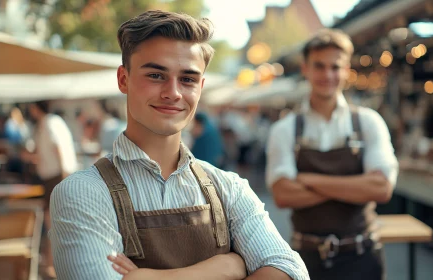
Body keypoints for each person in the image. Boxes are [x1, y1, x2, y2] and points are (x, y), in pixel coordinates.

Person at [49, 10, 308, 280]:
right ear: (123, 79)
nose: (173, 92)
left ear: (200, 87)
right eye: (156, 75)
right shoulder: (80, 192)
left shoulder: (228, 186)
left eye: (187, 79)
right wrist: (224, 268)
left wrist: (152, 277)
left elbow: (291, 272)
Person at [265, 29, 398, 280]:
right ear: (305, 69)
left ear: (346, 70)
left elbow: (381, 189)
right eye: (319, 66)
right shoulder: (284, 129)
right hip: (306, 259)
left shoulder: (369, 122)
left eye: (335, 67)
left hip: (362, 257)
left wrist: (309, 179)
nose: (327, 75)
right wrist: (355, 188)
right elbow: (282, 194)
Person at [24, 100, 78, 278]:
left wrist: (63, 177)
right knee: (53, 223)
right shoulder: (51, 122)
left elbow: (58, 148)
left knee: (55, 223)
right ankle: (52, 264)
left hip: (57, 177)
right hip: (56, 176)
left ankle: (56, 265)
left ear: (35, 108)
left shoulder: (49, 122)